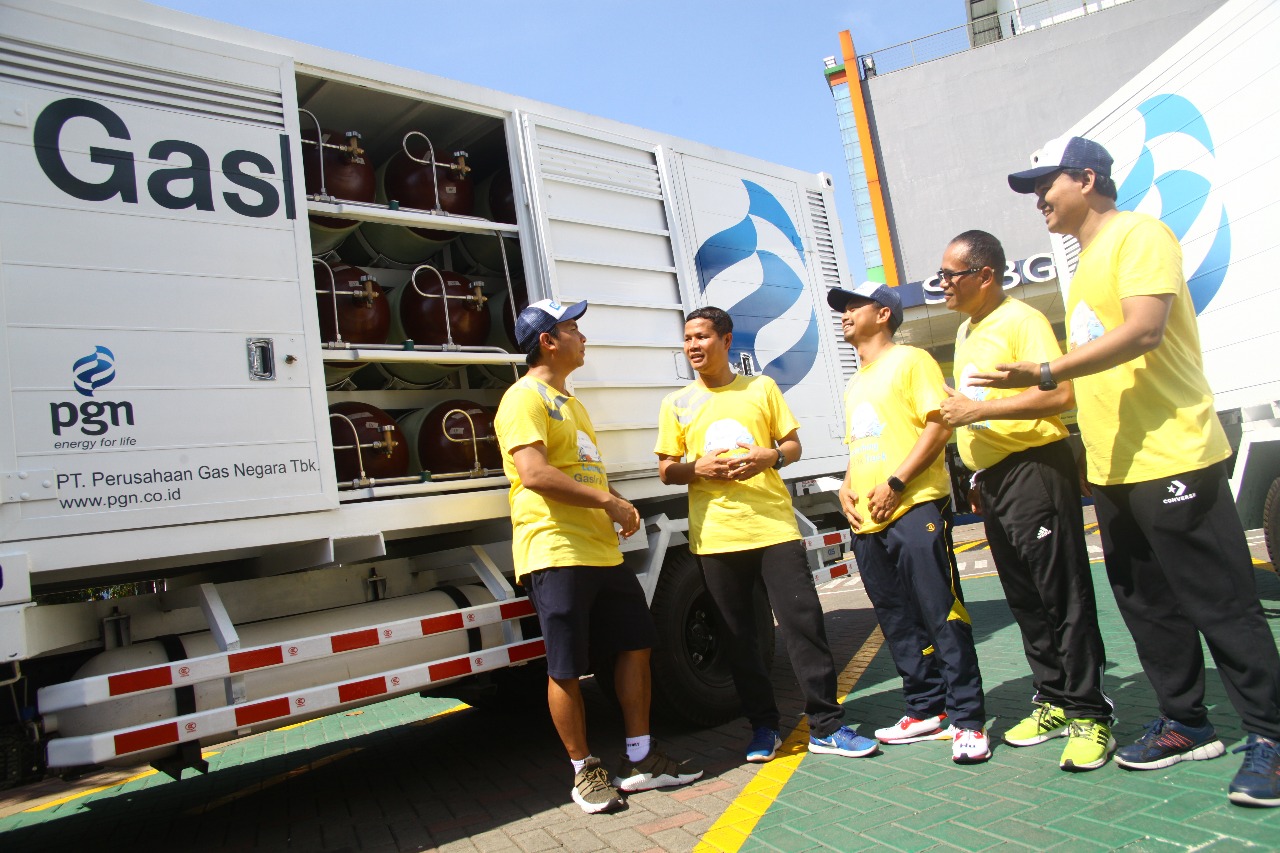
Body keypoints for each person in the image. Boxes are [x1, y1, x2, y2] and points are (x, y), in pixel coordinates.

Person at [972, 135, 1280, 806]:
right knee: (1147, 607)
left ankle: (1271, 736)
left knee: (1222, 603)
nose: (1037, 201)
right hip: (1115, 468)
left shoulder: (1141, 235)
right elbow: (1101, 375)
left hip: (1174, 454)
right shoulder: (1083, 267)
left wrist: (1050, 369)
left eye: (1044, 186)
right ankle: (1185, 722)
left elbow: (1143, 329)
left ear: (1086, 179)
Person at [494, 299, 702, 814]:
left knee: (636, 644)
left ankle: (641, 758)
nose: (582, 337)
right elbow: (535, 474)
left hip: (599, 550)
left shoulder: (572, 402)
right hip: (555, 548)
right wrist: (610, 501)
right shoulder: (523, 399)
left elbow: (579, 470)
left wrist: (607, 509)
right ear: (548, 341)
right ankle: (584, 771)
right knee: (566, 666)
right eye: (572, 329)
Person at [654, 306, 879, 764]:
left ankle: (827, 726)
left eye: (702, 337)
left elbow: (794, 445)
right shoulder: (675, 404)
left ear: (726, 340)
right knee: (739, 638)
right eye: (687, 338)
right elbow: (665, 470)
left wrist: (768, 456)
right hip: (716, 536)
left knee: (803, 626)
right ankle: (762, 727)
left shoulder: (761, 388)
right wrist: (697, 467)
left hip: (773, 527)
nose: (693, 346)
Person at [937, 229, 1114, 771]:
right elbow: (978, 404)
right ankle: (1054, 700)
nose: (941, 283)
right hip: (993, 478)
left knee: (1062, 592)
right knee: (1025, 597)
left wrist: (976, 414)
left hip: (1035, 469)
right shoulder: (968, 330)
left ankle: (1091, 713)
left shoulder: (1023, 321)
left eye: (950, 274)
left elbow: (1060, 394)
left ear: (984, 275)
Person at [831, 282, 990, 764]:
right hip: (868, 524)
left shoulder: (912, 360)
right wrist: (845, 485)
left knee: (942, 612)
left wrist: (897, 483)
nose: (844, 314)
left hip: (915, 507)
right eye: (841, 308)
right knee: (897, 621)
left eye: (852, 306)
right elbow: (863, 444)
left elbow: (939, 424)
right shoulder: (856, 381)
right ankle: (924, 707)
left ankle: (968, 719)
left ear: (883, 314)